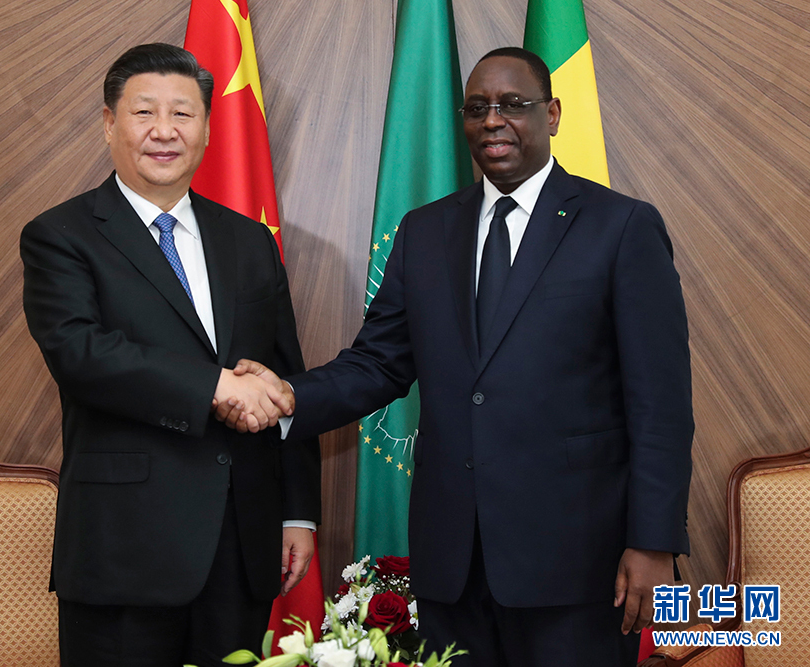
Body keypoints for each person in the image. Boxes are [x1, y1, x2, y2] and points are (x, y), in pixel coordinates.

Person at [221, 48, 693, 666]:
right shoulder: (425, 231)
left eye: (512, 105)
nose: (493, 120)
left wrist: (654, 542)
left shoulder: (621, 226)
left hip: (577, 563)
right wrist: (289, 395)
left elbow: (661, 405)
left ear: (552, 114)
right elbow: (378, 362)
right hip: (454, 565)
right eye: (477, 108)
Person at [20, 42, 320, 667]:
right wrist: (216, 385)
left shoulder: (249, 241)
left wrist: (298, 513)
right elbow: (81, 354)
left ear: (207, 129)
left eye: (183, 114)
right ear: (109, 124)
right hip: (125, 550)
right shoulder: (61, 235)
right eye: (144, 112)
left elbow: (282, 378)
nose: (164, 131)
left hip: (242, 542)